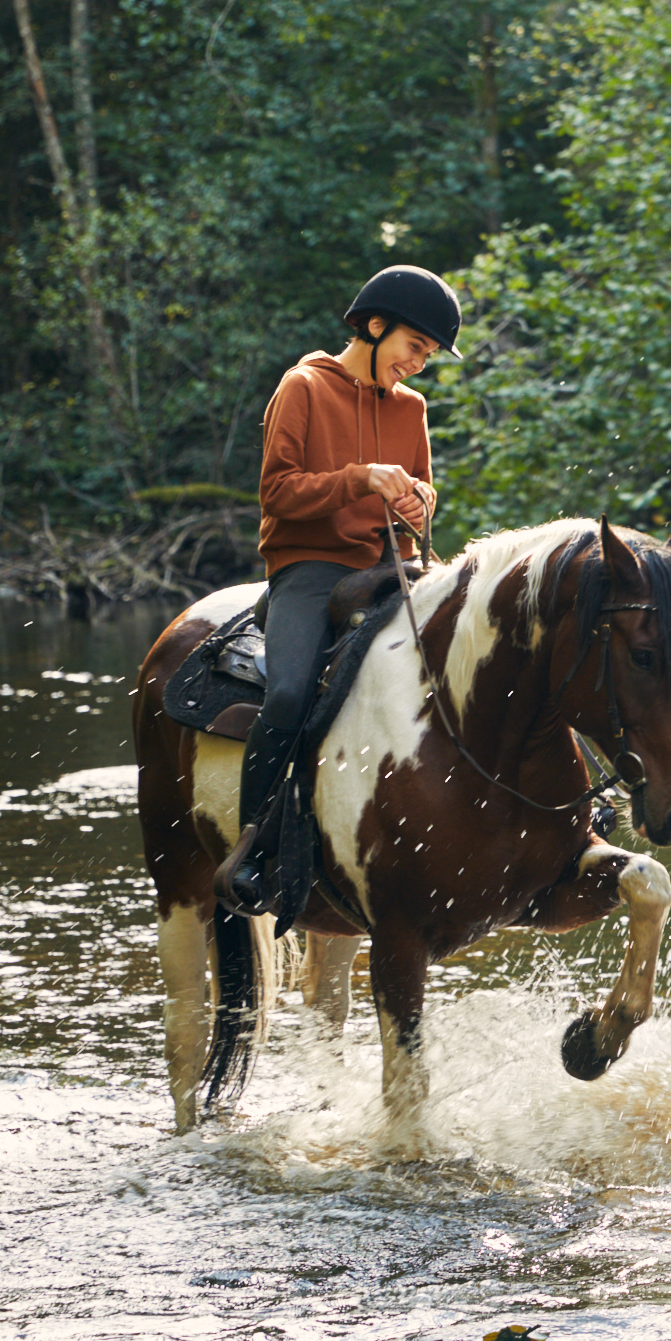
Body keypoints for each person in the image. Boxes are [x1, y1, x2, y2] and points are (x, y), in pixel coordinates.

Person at [216, 265, 458, 912]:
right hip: (310, 569)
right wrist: (359, 479)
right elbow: (277, 495)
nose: (419, 365)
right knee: (291, 693)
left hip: (393, 569)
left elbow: (419, 501)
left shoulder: (413, 408)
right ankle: (254, 850)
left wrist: (420, 500)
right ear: (375, 327)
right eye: (415, 348)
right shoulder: (302, 386)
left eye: (429, 356)